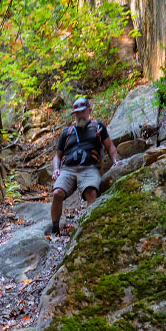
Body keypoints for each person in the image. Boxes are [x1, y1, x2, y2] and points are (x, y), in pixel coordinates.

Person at [48, 96, 119, 237]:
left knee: (91, 193)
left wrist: (116, 160)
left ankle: (88, 227)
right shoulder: (66, 133)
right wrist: (56, 168)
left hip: (89, 168)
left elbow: (110, 147)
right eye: (77, 113)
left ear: (89, 110)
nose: (80, 115)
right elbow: (57, 156)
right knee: (57, 193)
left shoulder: (97, 127)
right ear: (74, 115)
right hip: (68, 169)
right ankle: (55, 229)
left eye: (82, 111)